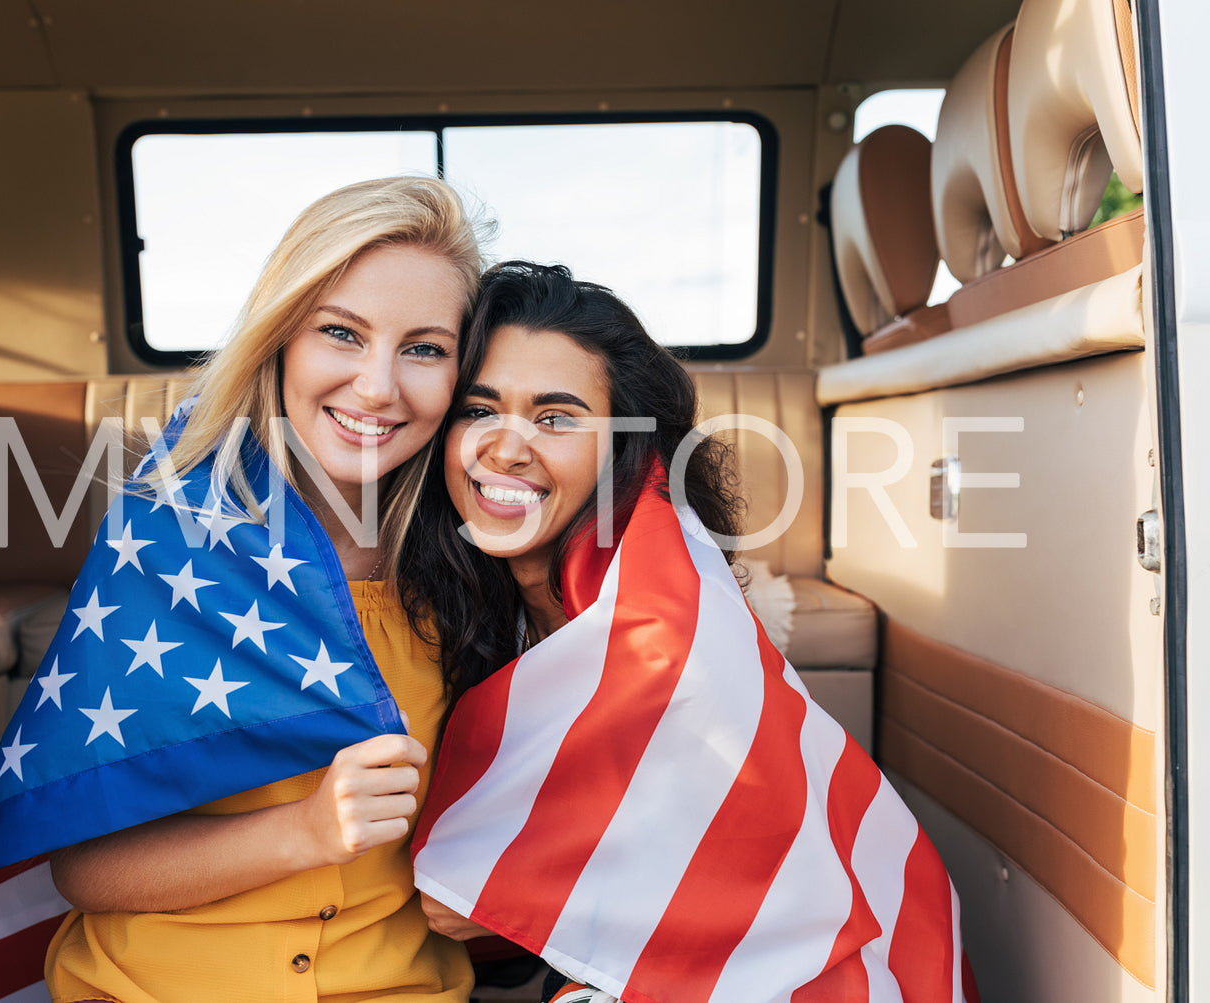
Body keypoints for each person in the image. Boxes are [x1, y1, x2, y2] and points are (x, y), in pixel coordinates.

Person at [0, 177, 488, 1003]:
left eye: (423, 348)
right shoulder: (167, 540)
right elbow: (88, 870)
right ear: (279, 340)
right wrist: (306, 831)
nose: (378, 386)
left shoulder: (472, 568)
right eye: (340, 333)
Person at [400, 262, 976, 1002]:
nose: (505, 450)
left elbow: (452, 910)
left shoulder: (666, 639)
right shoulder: (473, 594)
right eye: (480, 410)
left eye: (554, 418)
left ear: (626, 453)